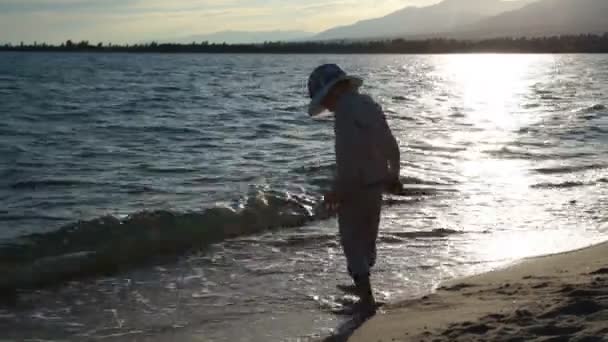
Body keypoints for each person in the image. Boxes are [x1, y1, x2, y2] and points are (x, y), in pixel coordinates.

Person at [306, 64, 402, 316]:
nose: (327, 108)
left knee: (351, 240)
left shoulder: (344, 116)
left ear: (333, 93)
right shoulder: (369, 105)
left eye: (325, 101)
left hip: (356, 186)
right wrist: (394, 174)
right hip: (376, 182)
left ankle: (365, 299)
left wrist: (338, 191)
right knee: (368, 237)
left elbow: (348, 159)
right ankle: (363, 287)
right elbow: (390, 142)